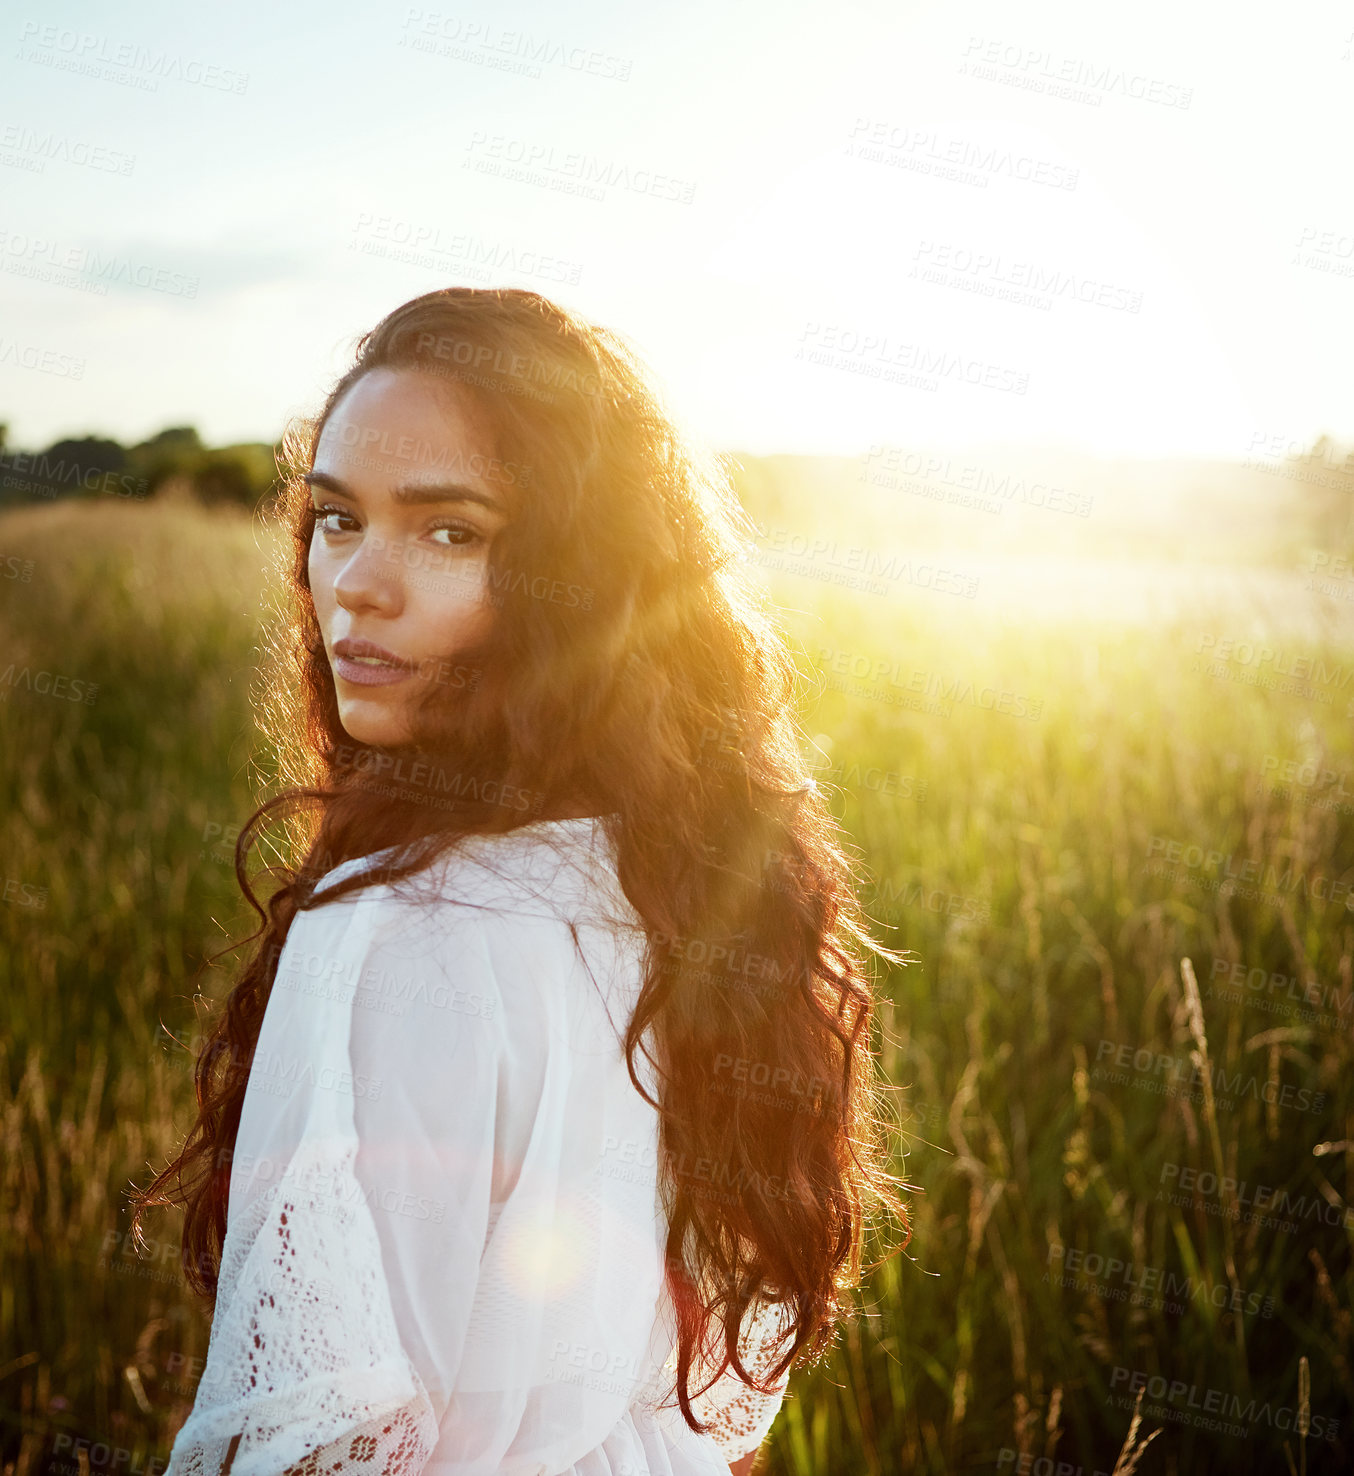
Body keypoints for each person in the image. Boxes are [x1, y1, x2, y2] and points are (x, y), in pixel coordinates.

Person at [133, 287, 907, 1475]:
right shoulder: (681, 878)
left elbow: (319, 1446)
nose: (356, 586)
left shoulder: (392, 930)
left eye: (450, 533)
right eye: (336, 520)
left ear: (580, 581)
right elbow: (713, 1405)